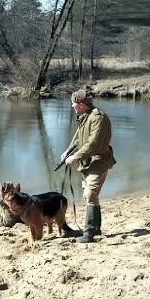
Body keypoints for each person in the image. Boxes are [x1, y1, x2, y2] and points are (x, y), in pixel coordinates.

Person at [60, 90, 116, 243]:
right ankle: (96, 228)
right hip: (87, 162)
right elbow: (78, 138)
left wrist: (75, 157)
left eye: (74, 104)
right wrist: (67, 151)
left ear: (82, 104)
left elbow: (93, 144)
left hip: (99, 160)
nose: (72, 107)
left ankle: (89, 232)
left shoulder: (98, 118)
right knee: (89, 195)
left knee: (90, 194)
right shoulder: (85, 117)